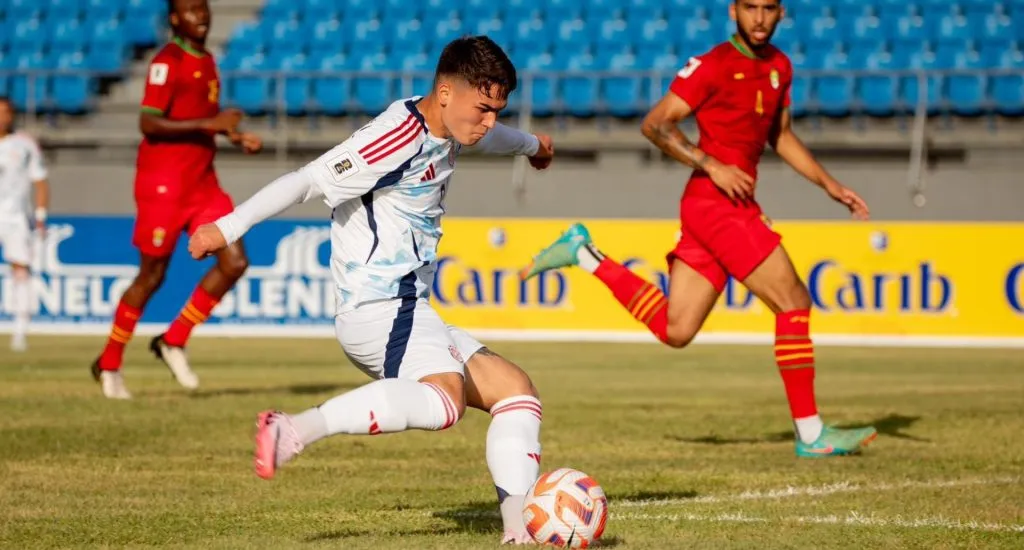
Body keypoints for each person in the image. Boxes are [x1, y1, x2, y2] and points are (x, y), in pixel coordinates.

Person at [188, 36, 555, 544]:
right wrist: (227, 228)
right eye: (484, 108)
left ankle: (519, 532)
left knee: (515, 392)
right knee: (445, 402)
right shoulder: (393, 138)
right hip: (377, 308)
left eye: (498, 110)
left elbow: (494, 138)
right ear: (446, 92)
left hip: (409, 308)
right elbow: (305, 180)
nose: (490, 120)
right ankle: (293, 430)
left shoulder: (452, 128)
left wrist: (534, 146)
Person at [521, 0, 877, 458]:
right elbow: (655, 124)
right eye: (750, 7)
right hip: (718, 205)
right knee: (794, 302)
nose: (760, 17)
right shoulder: (713, 65)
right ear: (734, 11)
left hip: (717, 207)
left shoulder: (780, 67)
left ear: (782, 12)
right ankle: (811, 435)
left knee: (677, 329)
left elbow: (781, 135)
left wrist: (830, 185)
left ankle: (584, 254)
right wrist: (712, 163)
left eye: (769, 8)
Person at [91, 0, 262, 399]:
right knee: (152, 276)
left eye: (203, 8)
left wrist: (234, 136)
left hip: (202, 182)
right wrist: (212, 124)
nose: (200, 15)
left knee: (235, 261)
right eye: (189, 10)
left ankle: (173, 338)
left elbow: (202, 115)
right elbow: (148, 121)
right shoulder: (166, 61)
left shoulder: (207, 59)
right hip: (163, 183)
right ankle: (109, 362)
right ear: (174, 18)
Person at [0, 97, 50, 353]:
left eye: (5, 112)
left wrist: (40, 216)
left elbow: (40, 181)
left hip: (15, 217)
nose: (2, 117)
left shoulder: (24, 144)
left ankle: (20, 331)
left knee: (20, 269)